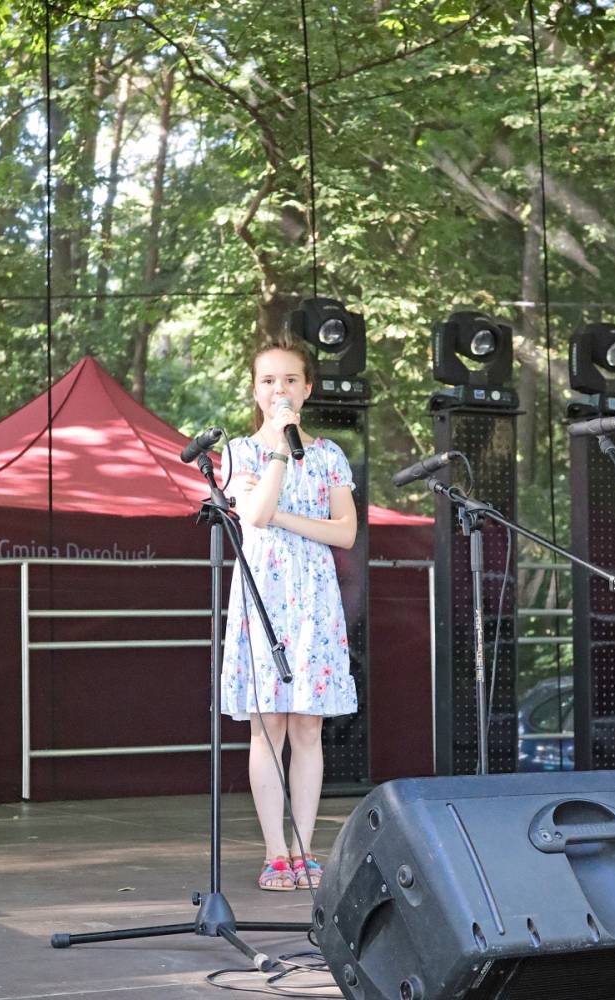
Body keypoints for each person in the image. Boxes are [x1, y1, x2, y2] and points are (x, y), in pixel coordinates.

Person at [221, 332, 358, 891]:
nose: (280, 389)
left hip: (315, 601)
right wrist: (279, 448)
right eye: (269, 380)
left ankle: (305, 849)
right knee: (268, 725)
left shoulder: (328, 455)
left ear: (308, 388)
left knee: (307, 725)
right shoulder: (238, 451)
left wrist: (281, 515)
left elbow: (344, 532)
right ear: (256, 390)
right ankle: (275, 853)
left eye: (290, 380)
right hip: (263, 596)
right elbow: (252, 515)